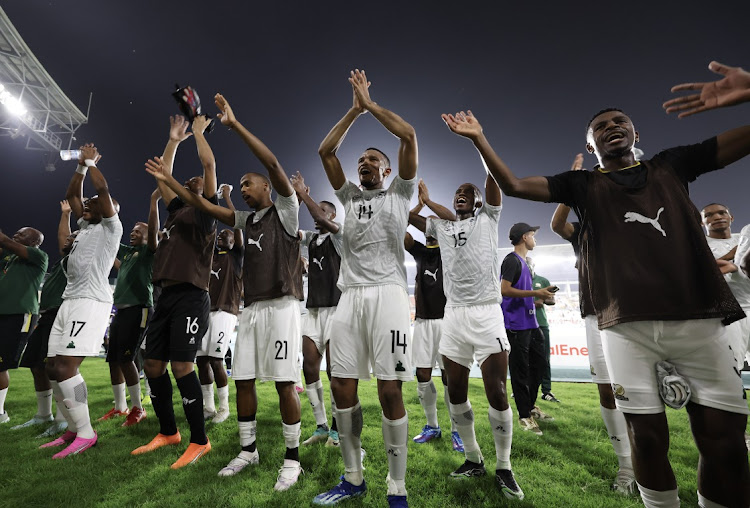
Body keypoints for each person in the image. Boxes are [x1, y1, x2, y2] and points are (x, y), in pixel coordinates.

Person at [442, 59, 750, 507]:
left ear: (636, 134)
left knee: (724, 442)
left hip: (699, 318)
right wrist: (479, 139)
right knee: (646, 440)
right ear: (590, 142)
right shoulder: (582, 185)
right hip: (626, 327)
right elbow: (510, 183)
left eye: (619, 121)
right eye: (600, 126)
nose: (611, 127)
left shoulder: (673, 164)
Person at [146, 93, 305, 491]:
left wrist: (233, 126)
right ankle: (248, 449)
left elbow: (271, 162)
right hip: (251, 310)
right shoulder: (245, 220)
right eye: (245, 187)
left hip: (283, 307)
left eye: (250, 185)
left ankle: (292, 459)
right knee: (244, 381)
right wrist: (168, 182)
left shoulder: (285, 209)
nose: (245, 190)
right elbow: (208, 207)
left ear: (268, 188)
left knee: (285, 383)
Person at [313, 70, 417, 508]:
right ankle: (353, 477)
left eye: (374, 160)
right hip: (349, 297)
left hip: (389, 294)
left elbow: (409, 136)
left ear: (388, 170)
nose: (366, 163)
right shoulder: (349, 199)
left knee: (390, 390)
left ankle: (397, 486)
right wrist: (353, 112)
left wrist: (371, 105)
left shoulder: (400, 193)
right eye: (362, 161)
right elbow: (326, 150)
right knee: (341, 386)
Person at [409, 175, 525, 500]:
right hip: (455, 316)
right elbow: (412, 219)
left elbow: (493, 181)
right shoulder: (441, 228)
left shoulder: (488, 218)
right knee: (456, 393)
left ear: (478, 202)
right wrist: (425, 200)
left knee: (497, 392)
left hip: (487, 313)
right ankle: (473, 458)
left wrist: (478, 141)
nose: (462, 195)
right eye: (458, 192)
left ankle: (504, 466)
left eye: (468, 193)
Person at [131, 115, 217, 469]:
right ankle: (169, 432)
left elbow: (209, 164)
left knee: (182, 366)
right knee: (152, 365)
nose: (192, 179)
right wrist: (173, 140)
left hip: (191, 295)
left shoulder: (205, 213)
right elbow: (161, 173)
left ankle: (200, 440)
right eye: (188, 180)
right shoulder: (176, 213)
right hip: (164, 295)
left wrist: (197, 133)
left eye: (196, 181)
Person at [550, 153, 635, 494]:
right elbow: (557, 225)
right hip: (594, 313)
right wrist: (570, 186)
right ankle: (626, 468)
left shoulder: (629, 222)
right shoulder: (581, 231)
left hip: (632, 311)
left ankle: (646, 458)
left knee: (636, 389)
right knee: (606, 389)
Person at [41, 143, 122, 459]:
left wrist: (91, 162)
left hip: (91, 301)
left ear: (110, 209)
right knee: (52, 368)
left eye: (95, 203)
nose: (86, 203)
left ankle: (86, 434)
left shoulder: (111, 227)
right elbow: (74, 195)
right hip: (69, 300)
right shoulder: (85, 226)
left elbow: (101, 190)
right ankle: (73, 429)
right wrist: (80, 167)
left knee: (66, 366)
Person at [405, 180, 463, 452]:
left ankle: (457, 430)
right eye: (425, 224)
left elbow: (452, 221)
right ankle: (432, 426)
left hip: (447, 320)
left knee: (450, 377)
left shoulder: (451, 248)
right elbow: (399, 224)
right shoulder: (418, 250)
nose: (428, 228)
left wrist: (428, 204)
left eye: (432, 225)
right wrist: (417, 205)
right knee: (422, 374)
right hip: (423, 322)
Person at [13, 202, 77, 438]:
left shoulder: (78, 259)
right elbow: (65, 238)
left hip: (63, 313)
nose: (68, 241)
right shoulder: (62, 262)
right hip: (47, 314)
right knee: (35, 364)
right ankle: (44, 414)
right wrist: (65, 214)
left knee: (56, 368)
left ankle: (63, 420)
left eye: (73, 239)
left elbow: (64, 238)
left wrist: (67, 218)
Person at [290, 171, 343, 448]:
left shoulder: (339, 235)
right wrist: (296, 201)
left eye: (323, 211)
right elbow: (290, 230)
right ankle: (321, 426)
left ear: (332, 216)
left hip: (337, 310)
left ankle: (337, 430)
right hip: (313, 312)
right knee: (310, 367)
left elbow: (320, 218)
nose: (317, 215)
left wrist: (303, 194)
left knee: (335, 371)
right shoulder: (311, 238)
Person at [99, 190, 159, 427]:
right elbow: (111, 244)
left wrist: (153, 202)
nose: (133, 233)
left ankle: (138, 408)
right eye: (132, 230)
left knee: (127, 358)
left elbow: (153, 232)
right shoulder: (128, 254)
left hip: (140, 308)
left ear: (148, 236)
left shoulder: (148, 253)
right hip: (121, 310)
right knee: (113, 359)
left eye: (138, 231)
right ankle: (120, 406)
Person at [501, 223, 556, 436]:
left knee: (540, 365)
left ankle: (530, 405)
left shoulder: (524, 263)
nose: (535, 240)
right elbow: (504, 290)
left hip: (531, 323)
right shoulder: (511, 260)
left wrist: (540, 296)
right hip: (516, 325)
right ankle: (524, 415)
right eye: (533, 236)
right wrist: (536, 293)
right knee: (520, 371)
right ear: (525, 237)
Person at [198, 184, 243, 425]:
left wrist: (225, 197)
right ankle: (208, 406)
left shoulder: (236, 257)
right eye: (220, 235)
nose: (222, 236)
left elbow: (236, 224)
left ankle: (224, 408)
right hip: (206, 311)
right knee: (201, 360)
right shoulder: (211, 258)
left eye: (227, 235)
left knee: (216, 359)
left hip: (226, 312)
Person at [0, 225, 48, 425]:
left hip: (20, 314)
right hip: (3, 313)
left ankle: (1, 414)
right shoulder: (10, 258)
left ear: (33, 242)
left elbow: (5, 241)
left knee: (0, 363)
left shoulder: (39, 256)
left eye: (22, 234)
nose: (16, 234)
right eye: (16, 232)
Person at [526, 256, 558, 403]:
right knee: (523, 360)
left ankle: (546, 391)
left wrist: (542, 300)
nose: (527, 265)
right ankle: (523, 389)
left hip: (541, 323)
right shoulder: (516, 280)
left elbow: (552, 300)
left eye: (529, 262)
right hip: (522, 324)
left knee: (544, 358)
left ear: (534, 264)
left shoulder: (542, 281)